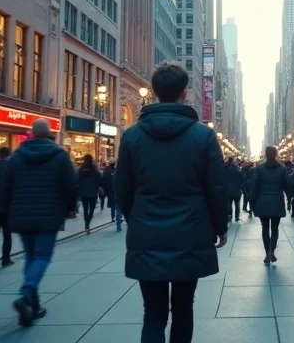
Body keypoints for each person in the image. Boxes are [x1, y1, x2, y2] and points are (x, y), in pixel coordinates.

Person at [116, 62, 228, 343]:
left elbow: (122, 189)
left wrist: (136, 218)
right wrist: (220, 224)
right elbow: (216, 186)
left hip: (146, 233)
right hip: (190, 233)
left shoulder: (131, 137)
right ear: (183, 92)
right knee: (183, 308)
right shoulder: (203, 135)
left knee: (152, 313)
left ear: (154, 92)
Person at [3, 119, 77, 327]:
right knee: (42, 256)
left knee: (30, 257)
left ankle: (33, 306)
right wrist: (71, 207)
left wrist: (9, 210)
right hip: (49, 214)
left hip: (22, 214)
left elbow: (6, 186)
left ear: (31, 134)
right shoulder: (59, 156)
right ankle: (27, 294)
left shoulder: (17, 157)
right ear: (50, 133)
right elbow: (70, 185)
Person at [249, 146, 289, 264]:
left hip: (263, 201)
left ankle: (267, 253)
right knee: (275, 228)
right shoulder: (282, 168)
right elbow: (287, 184)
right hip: (277, 200)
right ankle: (272, 251)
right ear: (276, 153)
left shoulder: (260, 168)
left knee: (265, 228)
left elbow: (254, 185)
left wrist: (252, 201)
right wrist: (290, 197)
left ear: (265, 154)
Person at [77, 155, 103, 232]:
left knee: (85, 209)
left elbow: (77, 180)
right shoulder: (95, 170)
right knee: (91, 209)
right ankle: (88, 223)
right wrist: (98, 188)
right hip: (93, 193)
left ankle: (86, 224)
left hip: (83, 193)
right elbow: (99, 180)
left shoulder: (80, 169)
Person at [225, 157, 244, 222]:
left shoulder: (226, 170)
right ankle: (236, 217)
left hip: (228, 190)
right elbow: (242, 178)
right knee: (237, 204)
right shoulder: (238, 169)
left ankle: (229, 216)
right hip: (237, 190)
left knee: (229, 204)